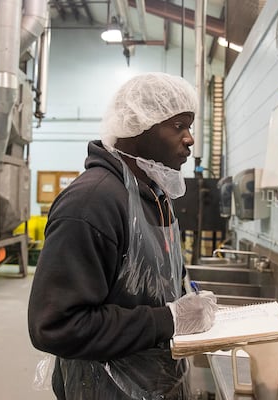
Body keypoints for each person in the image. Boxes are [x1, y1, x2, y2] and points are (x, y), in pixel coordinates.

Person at [28, 72, 218, 399]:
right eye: (178, 126)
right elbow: (55, 326)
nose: (189, 139)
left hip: (156, 382)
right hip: (104, 390)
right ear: (136, 127)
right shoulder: (92, 203)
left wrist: (187, 302)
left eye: (190, 127)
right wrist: (169, 319)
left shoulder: (156, 197)